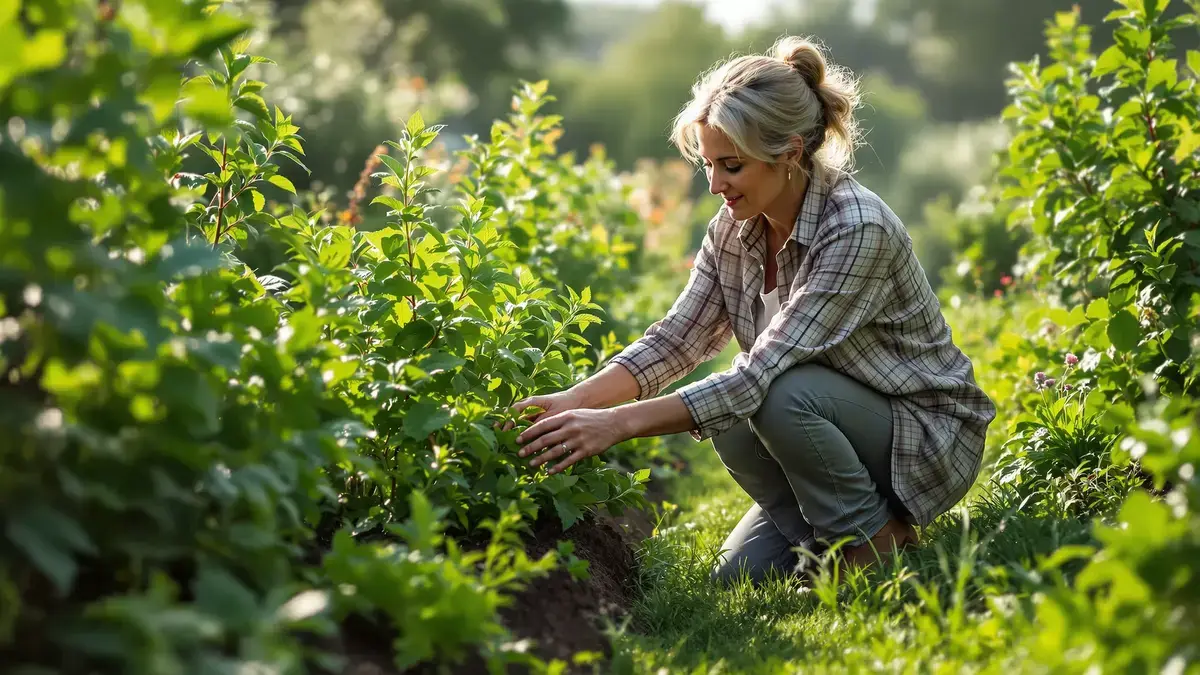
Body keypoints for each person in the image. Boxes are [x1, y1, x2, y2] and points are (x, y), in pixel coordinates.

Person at [506, 35, 997, 585]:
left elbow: (760, 375)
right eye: (709, 165)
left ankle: (872, 543)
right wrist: (572, 404)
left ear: (788, 153)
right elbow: (678, 339)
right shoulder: (734, 229)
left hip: (918, 434)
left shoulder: (856, 228)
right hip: (826, 425)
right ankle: (826, 534)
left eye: (732, 166)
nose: (715, 185)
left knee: (771, 395)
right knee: (737, 578)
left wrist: (616, 425)